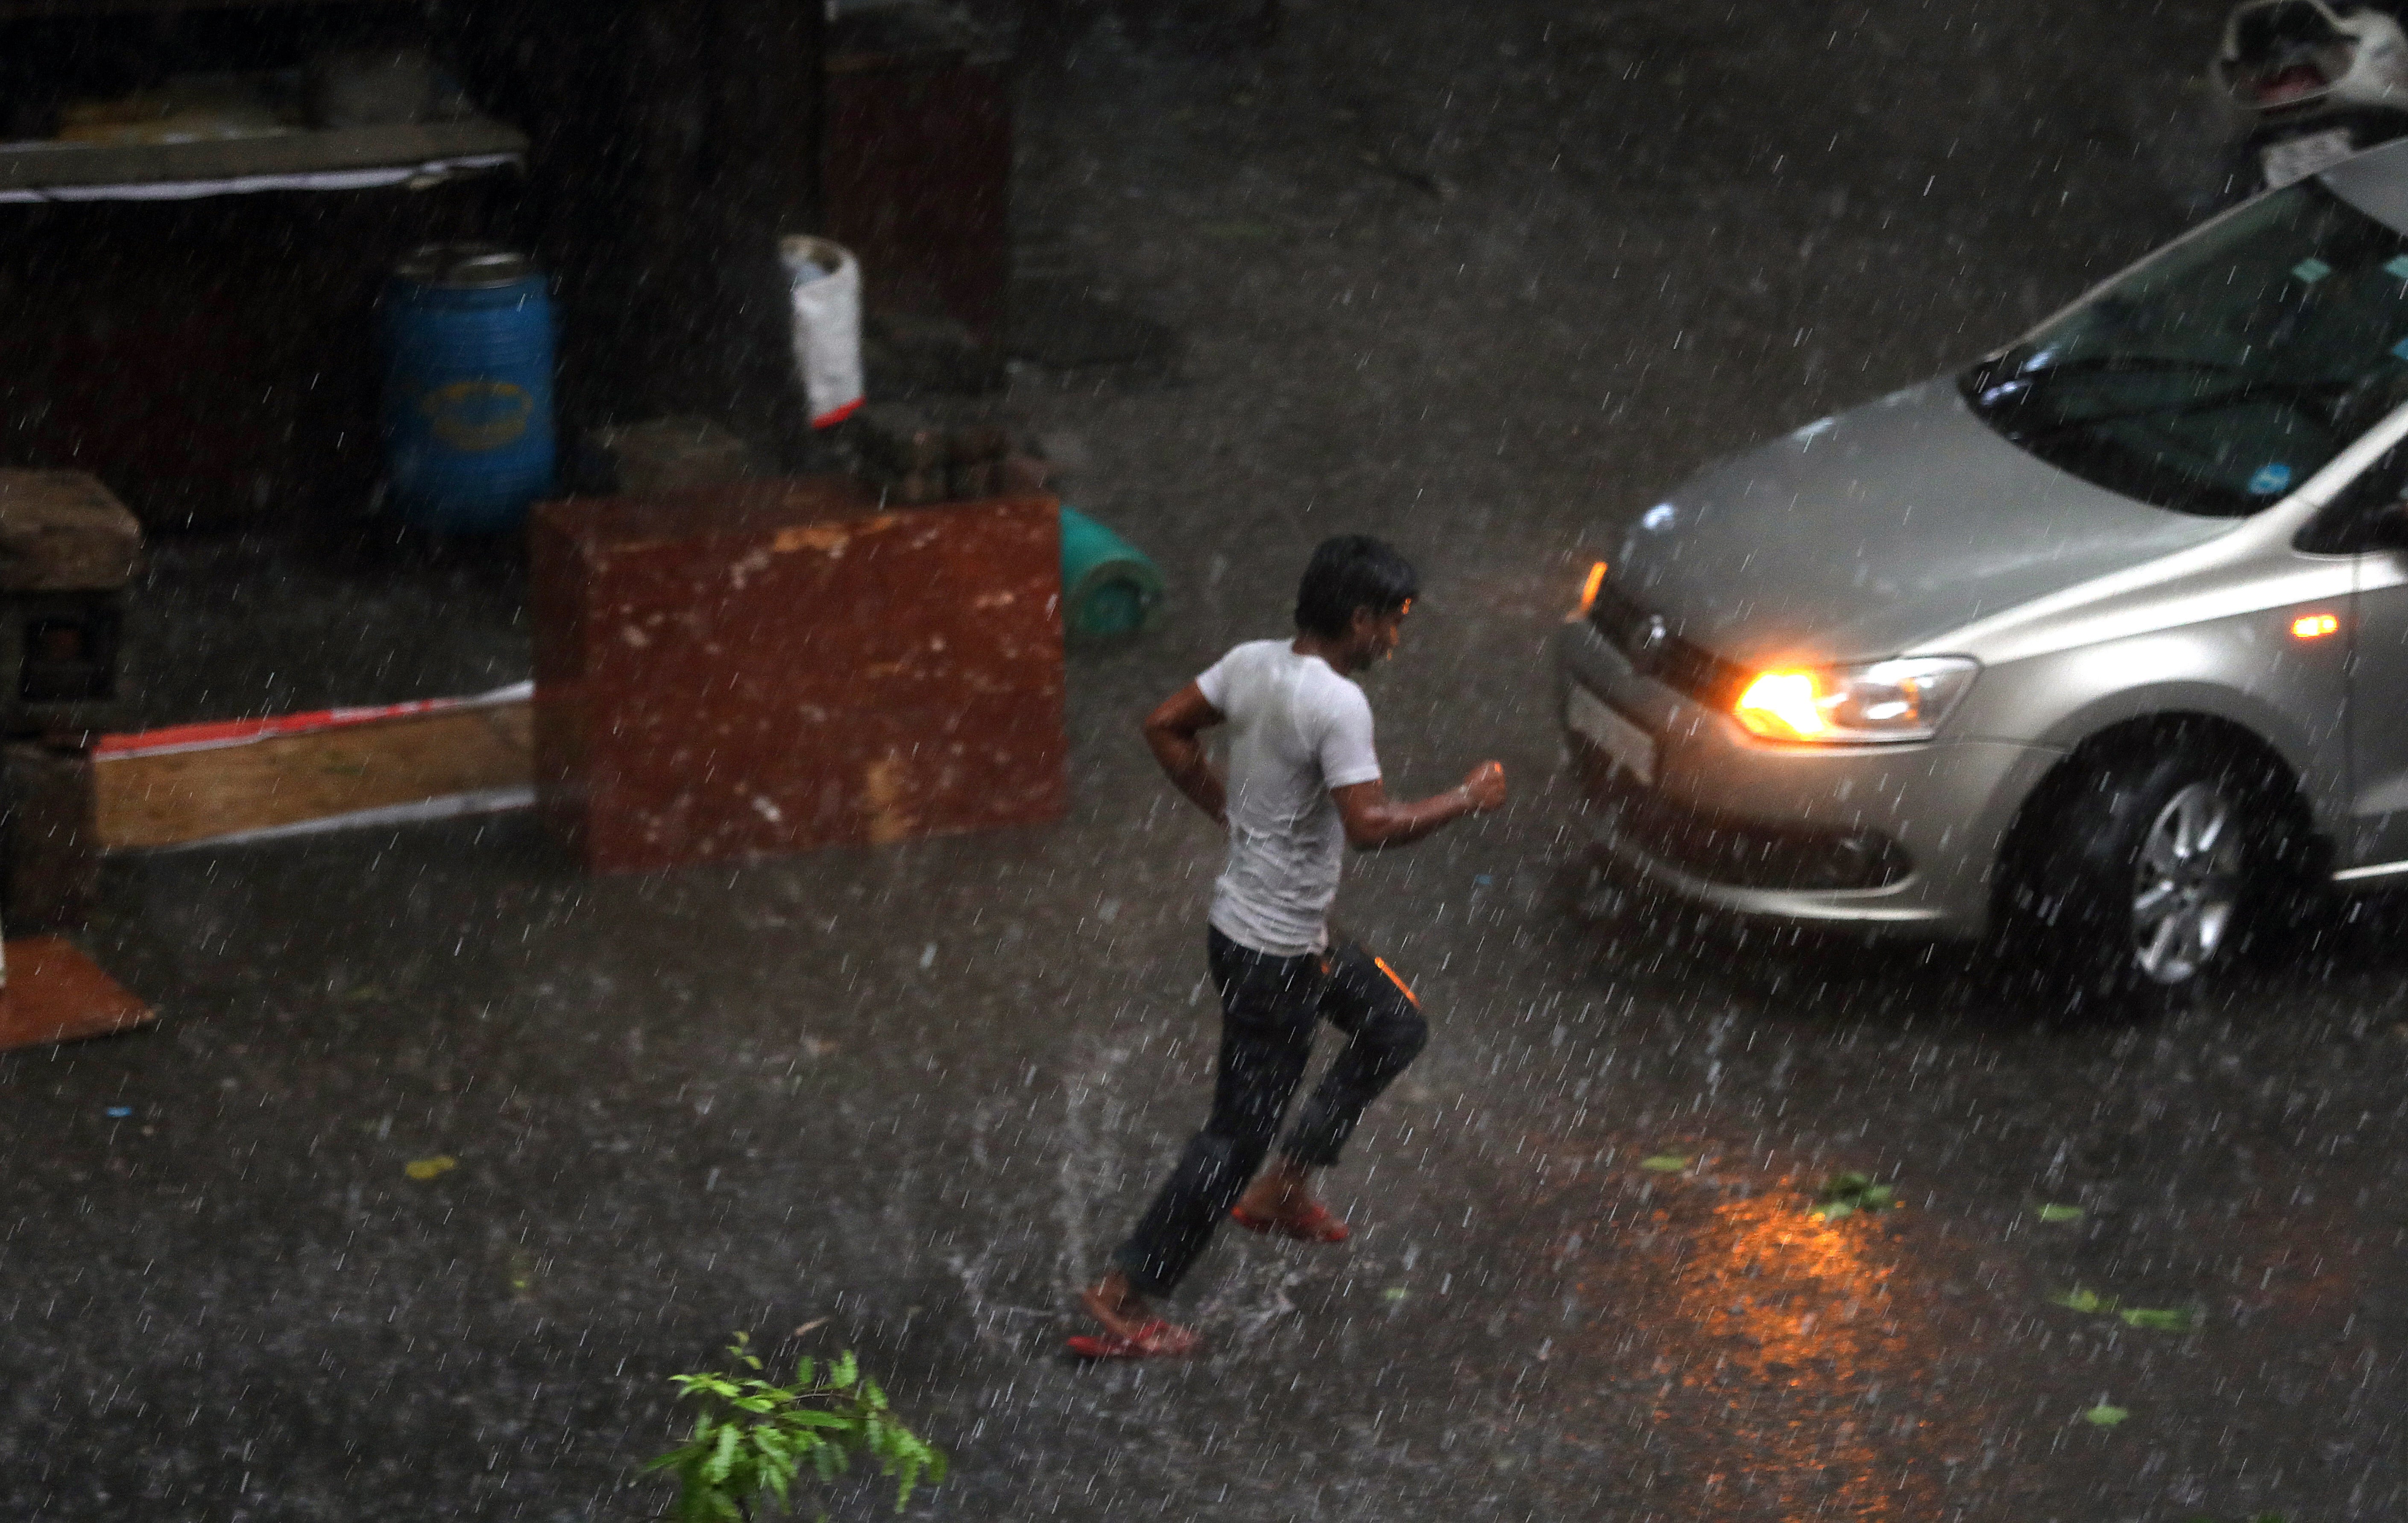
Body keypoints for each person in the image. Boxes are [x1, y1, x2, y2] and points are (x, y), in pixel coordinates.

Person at [1070, 535, 1509, 1359]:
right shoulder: (1337, 704)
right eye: (1393, 622)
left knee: (1393, 1026)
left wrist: (1231, 812)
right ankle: (1124, 1295)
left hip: (1267, 930)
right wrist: (1467, 796)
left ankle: (1288, 1185)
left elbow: (1164, 726)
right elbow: (1371, 828)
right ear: (1357, 617)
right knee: (1234, 1136)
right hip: (1273, 957)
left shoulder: (1250, 663)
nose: (1395, 640)